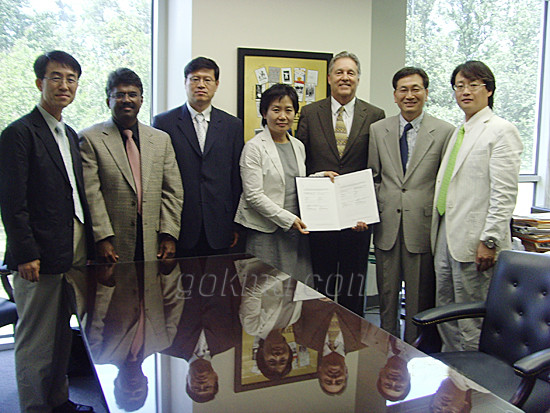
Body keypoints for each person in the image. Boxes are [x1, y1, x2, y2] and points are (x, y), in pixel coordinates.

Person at [0, 51, 94, 413]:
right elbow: (12, 201)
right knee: (36, 338)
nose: (64, 85)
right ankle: (35, 407)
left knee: (60, 334)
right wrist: (25, 253)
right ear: (40, 82)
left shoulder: (68, 133)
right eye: (56, 77)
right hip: (37, 253)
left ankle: (58, 400)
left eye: (71, 79)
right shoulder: (18, 133)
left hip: (72, 246)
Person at [431, 61, 523, 351]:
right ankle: (451, 366)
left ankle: (472, 373)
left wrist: (490, 239)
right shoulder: (460, 131)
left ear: (489, 90)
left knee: (471, 316)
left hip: (477, 241)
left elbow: (504, 192)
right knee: (445, 309)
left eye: (473, 85)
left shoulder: (501, 130)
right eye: (459, 86)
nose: (465, 92)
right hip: (446, 233)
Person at [368, 67, 455, 343]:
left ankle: (414, 353)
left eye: (416, 89)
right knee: (387, 298)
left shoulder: (445, 132)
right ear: (394, 95)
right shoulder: (378, 130)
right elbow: (374, 177)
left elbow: (445, 183)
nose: (409, 95)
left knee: (419, 300)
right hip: (387, 226)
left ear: (426, 93)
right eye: (403, 90)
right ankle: (385, 351)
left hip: (422, 226)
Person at [296, 51, 385, 316]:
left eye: (351, 73)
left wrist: (369, 212)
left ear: (358, 78)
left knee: (353, 290)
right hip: (320, 219)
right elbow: (302, 163)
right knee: (320, 289)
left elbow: (377, 168)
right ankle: (318, 338)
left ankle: (353, 339)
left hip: (357, 221)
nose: (345, 77)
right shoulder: (310, 113)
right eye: (339, 72)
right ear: (329, 78)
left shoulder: (375, 115)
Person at [79, 68, 183, 263]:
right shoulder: (90, 138)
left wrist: (169, 234)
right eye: (119, 95)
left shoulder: (161, 139)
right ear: (108, 101)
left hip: (153, 239)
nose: (126, 100)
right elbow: (91, 194)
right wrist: (102, 237)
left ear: (141, 100)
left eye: (132, 94)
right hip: (113, 240)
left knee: (152, 284)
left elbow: (173, 191)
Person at [152, 57, 244, 257]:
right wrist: (164, 229)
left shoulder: (233, 125)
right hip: (180, 222)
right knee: (180, 277)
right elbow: (158, 178)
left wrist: (236, 223)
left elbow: (236, 179)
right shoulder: (164, 123)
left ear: (216, 84)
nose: (201, 84)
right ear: (185, 82)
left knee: (219, 276)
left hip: (221, 223)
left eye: (207, 79)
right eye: (195, 79)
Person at [235, 83, 316, 282]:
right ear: (264, 113)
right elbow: (253, 196)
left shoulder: (298, 145)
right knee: (264, 289)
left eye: (288, 110)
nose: (282, 116)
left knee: (296, 288)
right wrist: (288, 219)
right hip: (266, 230)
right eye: (276, 110)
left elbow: (296, 182)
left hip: (296, 231)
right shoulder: (254, 147)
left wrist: (321, 177)